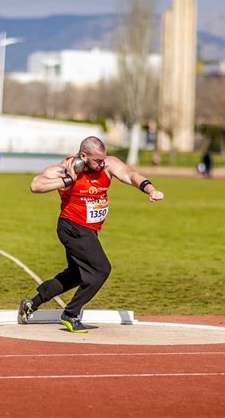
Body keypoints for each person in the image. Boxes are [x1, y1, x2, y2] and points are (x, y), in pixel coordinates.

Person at [18, 136, 164, 333]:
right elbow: (36, 185)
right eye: (97, 160)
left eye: (103, 159)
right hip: (72, 227)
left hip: (90, 231)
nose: (101, 163)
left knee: (76, 275)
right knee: (101, 269)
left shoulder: (108, 165)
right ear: (83, 156)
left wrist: (150, 189)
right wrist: (68, 180)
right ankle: (70, 314)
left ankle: (31, 304)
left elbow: (130, 175)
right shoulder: (66, 168)